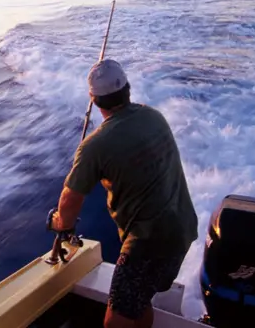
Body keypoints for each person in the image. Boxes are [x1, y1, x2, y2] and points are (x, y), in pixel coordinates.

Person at [50, 59, 198, 328]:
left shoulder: (94, 146)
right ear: (128, 89)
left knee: (116, 319)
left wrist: (62, 223)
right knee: (138, 301)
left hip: (149, 244)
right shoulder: (154, 116)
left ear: (94, 100)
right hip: (183, 230)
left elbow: (70, 200)